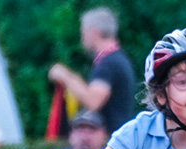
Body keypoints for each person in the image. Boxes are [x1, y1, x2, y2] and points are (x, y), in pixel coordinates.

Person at [49, 7, 139, 136]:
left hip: (110, 143)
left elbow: (92, 101)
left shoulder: (109, 64)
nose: (82, 38)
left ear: (94, 32)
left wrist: (64, 76)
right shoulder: (118, 59)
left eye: (83, 32)